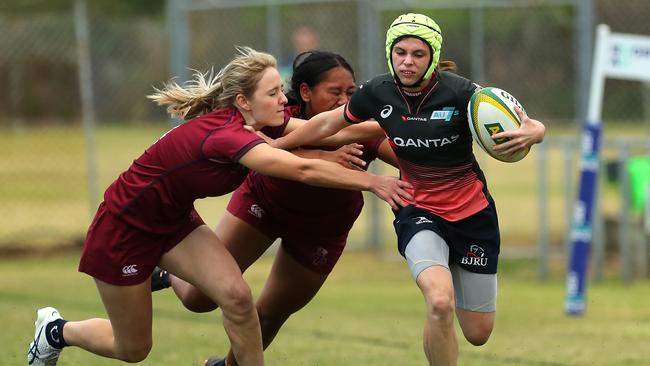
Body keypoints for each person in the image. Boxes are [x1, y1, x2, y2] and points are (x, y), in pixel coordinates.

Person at [26, 46, 412, 366]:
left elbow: (334, 129)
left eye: (282, 90)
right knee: (133, 349)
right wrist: (374, 181)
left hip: (176, 223)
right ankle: (56, 331)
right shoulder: (225, 136)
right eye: (275, 93)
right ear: (244, 101)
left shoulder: (264, 122)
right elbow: (304, 169)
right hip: (124, 228)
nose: (285, 100)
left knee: (238, 298)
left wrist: (412, 121)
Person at [270, 13, 546, 366]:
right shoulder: (376, 92)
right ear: (390, 54)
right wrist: (272, 148)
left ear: (432, 57)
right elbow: (326, 123)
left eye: (418, 54)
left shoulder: (461, 93)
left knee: (478, 333)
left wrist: (535, 132)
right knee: (440, 300)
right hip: (417, 209)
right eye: (400, 52)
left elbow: (527, 121)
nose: (407, 61)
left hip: (472, 213)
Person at [150, 50, 398, 366]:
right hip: (263, 205)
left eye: (350, 93)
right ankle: (169, 275)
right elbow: (259, 145)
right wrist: (320, 157)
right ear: (306, 92)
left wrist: (429, 140)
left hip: (321, 231)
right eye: (334, 92)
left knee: (269, 315)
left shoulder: (360, 123)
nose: (344, 100)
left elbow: (408, 156)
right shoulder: (280, 114)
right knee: (199, 299)